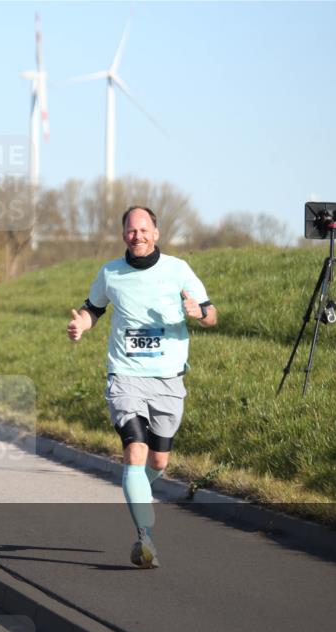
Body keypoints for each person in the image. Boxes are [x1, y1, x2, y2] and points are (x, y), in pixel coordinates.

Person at [66, 206, 217, 568]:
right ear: (124, 235)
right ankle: (145, 538)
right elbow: (93, 309)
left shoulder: (178, 270)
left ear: (156, 233)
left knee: (158, 461)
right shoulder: (110, 273)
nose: (138, 236)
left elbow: (212, 314)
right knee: (135, 449)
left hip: (168, 379)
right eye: (132, 231)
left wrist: (199, 313)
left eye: (144, 229)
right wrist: (81, 325)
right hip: (125, 375)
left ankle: (137, 489)